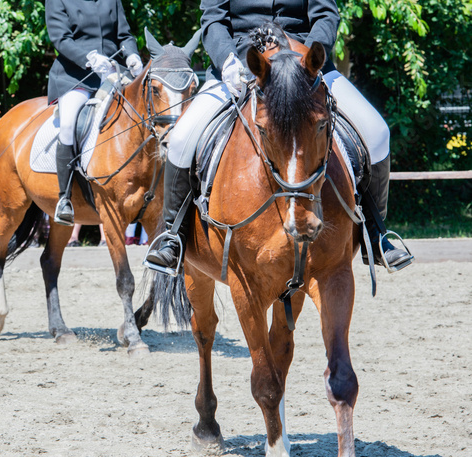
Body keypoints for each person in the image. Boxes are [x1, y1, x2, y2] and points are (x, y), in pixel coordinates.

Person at [146, 0, 414, 273]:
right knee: (180, 140)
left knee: (378, 132)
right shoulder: (233, 62)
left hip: (305, 65)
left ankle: (376, 233)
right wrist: (227, 60)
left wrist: (308, 58)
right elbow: (213, 19)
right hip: (242, 64)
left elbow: (325, 13)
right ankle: (173, 237)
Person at [45, 0, 144, 226]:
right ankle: (65, 199)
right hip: (76, 76)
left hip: (113, 73)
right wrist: (89, 58)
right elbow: (61, 38)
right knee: (69, 124)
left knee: (142, 113)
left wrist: (132, 55)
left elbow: (124, 35)